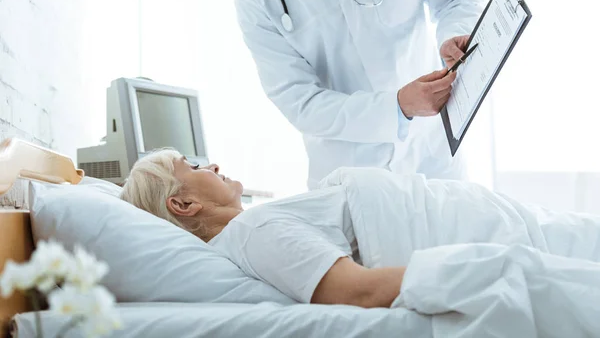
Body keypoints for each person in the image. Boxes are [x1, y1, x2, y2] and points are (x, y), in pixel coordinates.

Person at [120, 149, 600, 309]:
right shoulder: (255, 233)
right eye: (196, 164)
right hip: (507, 239)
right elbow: (358, 291)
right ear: (183, 203)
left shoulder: (257, 226)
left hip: (506, 222)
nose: (215, 164)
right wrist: (499, 270)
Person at [235, 0, 484, 188]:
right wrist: (397, 106)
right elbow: (301, 103)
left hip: (431, 151)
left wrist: (454, 36)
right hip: (351, 176)